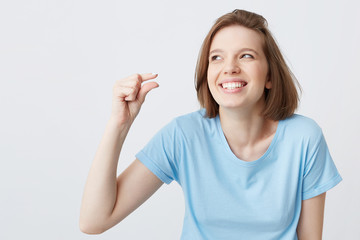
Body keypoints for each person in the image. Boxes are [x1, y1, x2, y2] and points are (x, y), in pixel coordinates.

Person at [79, 9, 342, 239]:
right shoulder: (183, 135)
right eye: (216, 57)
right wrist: (119, 124)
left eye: (246, 56)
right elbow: (94, 222)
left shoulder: (304, 138)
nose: (229, 68)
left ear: (270, 76)